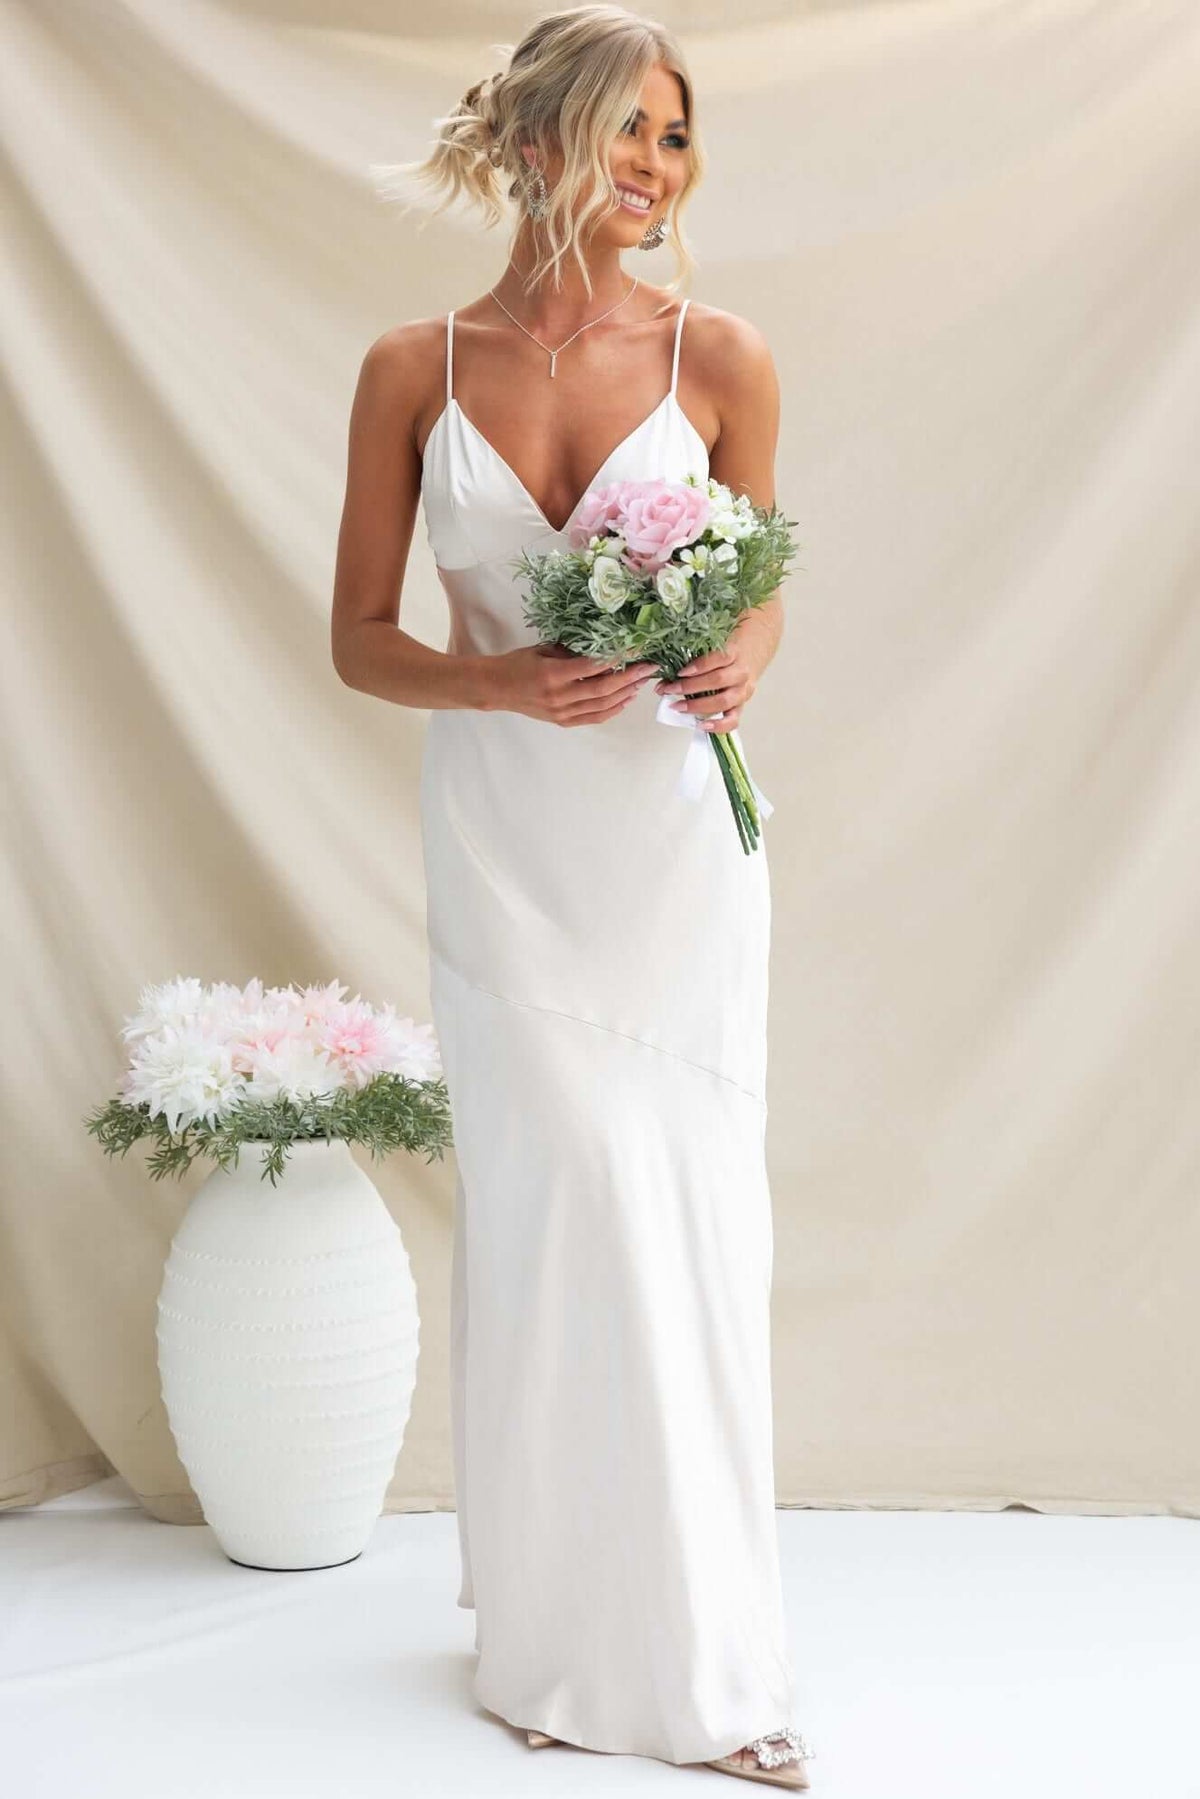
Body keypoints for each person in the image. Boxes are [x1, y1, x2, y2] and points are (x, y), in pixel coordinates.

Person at [330, 5, 814, 1787]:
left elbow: (759, 583)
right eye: (627, 132)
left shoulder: (725, 354)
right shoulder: (414, 366)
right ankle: (546, 1630)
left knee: (676, 1210)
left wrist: (739, 662)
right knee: (545, 1215)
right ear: (535, 140)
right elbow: (362, 641)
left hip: (673, 846)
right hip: (510, 841)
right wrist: (503, 685)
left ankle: (707, 1656)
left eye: (675, 140)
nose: (655, 170)